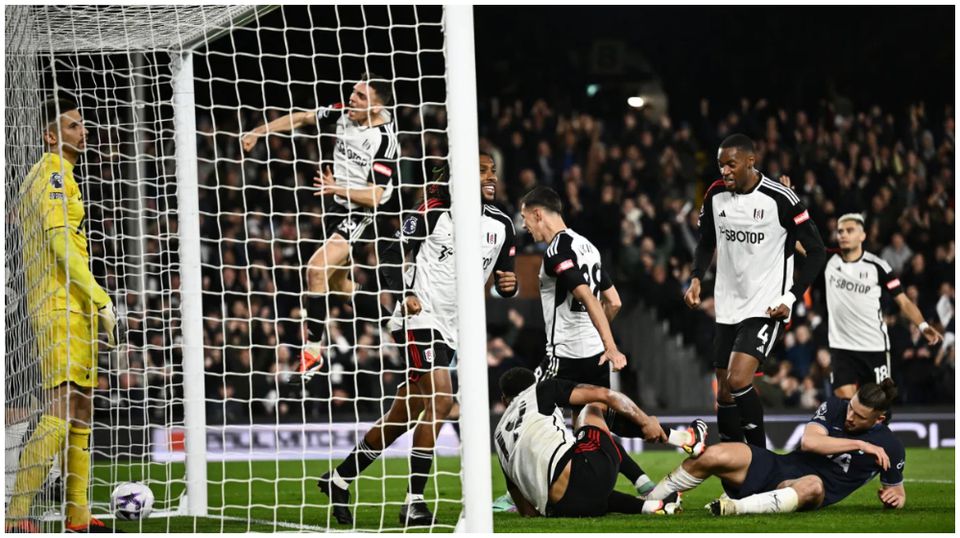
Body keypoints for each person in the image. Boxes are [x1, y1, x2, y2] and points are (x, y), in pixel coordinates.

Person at [317, 154, 518, 527]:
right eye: (482, 171)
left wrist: (511, 285)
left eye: (493, 171)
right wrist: (404, 292)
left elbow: (506, 277)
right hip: (419, 315)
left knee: (405, 413)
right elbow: (392, 251)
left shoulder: (503, 224)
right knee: (442, 398)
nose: (491, 177)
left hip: (457, 327)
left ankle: (339, 479)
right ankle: (414, 501)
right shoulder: (433, 211)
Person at [6, 98, 126, 533]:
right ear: (51, 135)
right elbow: (58, 243)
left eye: (84, 125)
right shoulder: (53, 172)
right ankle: (17, 514)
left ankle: (77, 516)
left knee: (80, 408)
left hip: (70, 305)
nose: (84, 131)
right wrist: (99, 298)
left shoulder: (56, 176)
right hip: (60, 305)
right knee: (61, 406)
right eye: (73, 126)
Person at [240, 73, 399, 376]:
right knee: (339, 285)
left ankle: (313, 350)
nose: (352, 98)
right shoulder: (344, 113)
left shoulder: (384, 142)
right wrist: (259, 131)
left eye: (361, 96)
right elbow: (302, 118)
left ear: (377, 108)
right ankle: (394, 322)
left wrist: (336, 188)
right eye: (353, 92)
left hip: (362, 213)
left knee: (316, 269)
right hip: (335, 206)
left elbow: (377, 196)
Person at [684, 134, 826, 447]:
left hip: (767, 305)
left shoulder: (781, 199)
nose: (725, 172)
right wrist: (696, 278)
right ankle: (734, 476)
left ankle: (760, 460)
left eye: (731, 164)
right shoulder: (715, 194)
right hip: (727, 305)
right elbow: (706, 241)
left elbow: (817, 251)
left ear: (751, 161)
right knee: (723, 391)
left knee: (738, 380)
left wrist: (790, 297)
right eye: (721, 165)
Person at [518, 186, 660, 496]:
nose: (524, 225)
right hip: (592, 355)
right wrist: (599, 341)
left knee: (526, 413)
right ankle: (645, 484)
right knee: (593, 428)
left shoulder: (557, 251)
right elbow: (615, 301)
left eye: (525, 217)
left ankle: (516, 493)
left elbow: (586, 297)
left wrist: (610, 346)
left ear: (538, 214)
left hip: (564, 355)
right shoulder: (588, 247)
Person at [645, 380, 906, 516]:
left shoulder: (891, 447)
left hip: (806, 490)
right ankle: (650, 502)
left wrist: (896, 498)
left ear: (879, 419)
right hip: (778, 465)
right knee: (713, 454)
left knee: (813, 484)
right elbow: (810, 442)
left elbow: (896, 490)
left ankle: (736, 508)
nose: (850, 417)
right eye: (852, 408)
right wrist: (861, 443)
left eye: (860, 416)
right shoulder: (836, 406)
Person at [494, 367, 707, 518]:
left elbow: (526, 511)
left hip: (562, 508)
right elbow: (606, 395)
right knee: (591, 406)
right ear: (534, 384)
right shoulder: (540, 390)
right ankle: (682, 438)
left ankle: (654, 505)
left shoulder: (498, 436)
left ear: (504, 401)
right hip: (585, 474)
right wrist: (645, 421)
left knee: (586, 459)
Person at [825, 213, 942, 398]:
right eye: (840, 231)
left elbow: (903, 301)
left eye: (849, 231)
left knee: (877, 409)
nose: (843, 235)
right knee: (844, 403)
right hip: (842, 347)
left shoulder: (878, 266)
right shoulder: (828, 260)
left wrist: (923, 326)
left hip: (873, 346)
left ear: (862, 236)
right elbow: (801, 245)